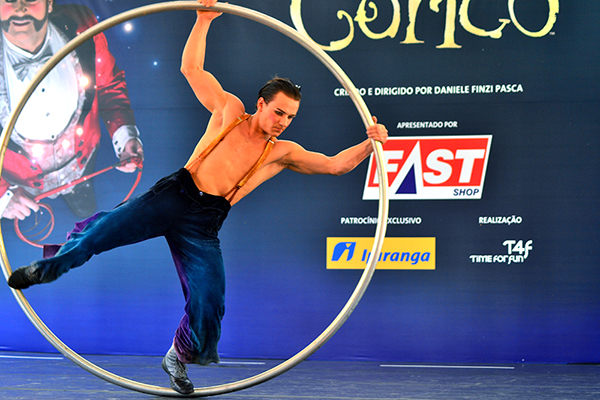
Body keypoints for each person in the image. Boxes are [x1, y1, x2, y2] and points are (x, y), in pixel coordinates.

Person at [7, 0, 388, 395]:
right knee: (101, 233)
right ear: (261, 104)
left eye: (290, 117)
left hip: (205, 223)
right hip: (174, 195)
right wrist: (203, 20)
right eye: (279, 113)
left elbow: (335, 166)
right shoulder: (229, 111)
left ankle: (177, 356)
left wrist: (369, 144)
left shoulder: (282, 152)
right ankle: (43, 270)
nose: (283, 122)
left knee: (210, 302)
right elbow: (191, 69)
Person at [0, 0, 144, 220]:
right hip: (18, 181)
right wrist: (3, 195)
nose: (20, 7)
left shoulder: (82, 25)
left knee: (86, 209)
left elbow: (107, 84)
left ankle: (77, 189)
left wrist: (124, 136)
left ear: (49, 3)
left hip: (81, 161)